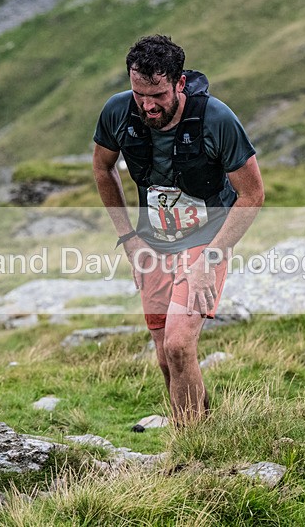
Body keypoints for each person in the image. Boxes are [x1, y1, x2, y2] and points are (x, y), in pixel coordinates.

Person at [93, 35, 264, 423]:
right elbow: (102, 167)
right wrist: (129, 238)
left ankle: (191, 446)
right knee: (164, 355)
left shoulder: (217, 119)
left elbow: (252, 194)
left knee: (178, 345)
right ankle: (200, 425)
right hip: (152, 242)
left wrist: (211, 258)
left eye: (158, 95)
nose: (148, 106)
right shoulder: (118, 111)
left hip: (207, 239)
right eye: (139, 94)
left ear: (180, 83)